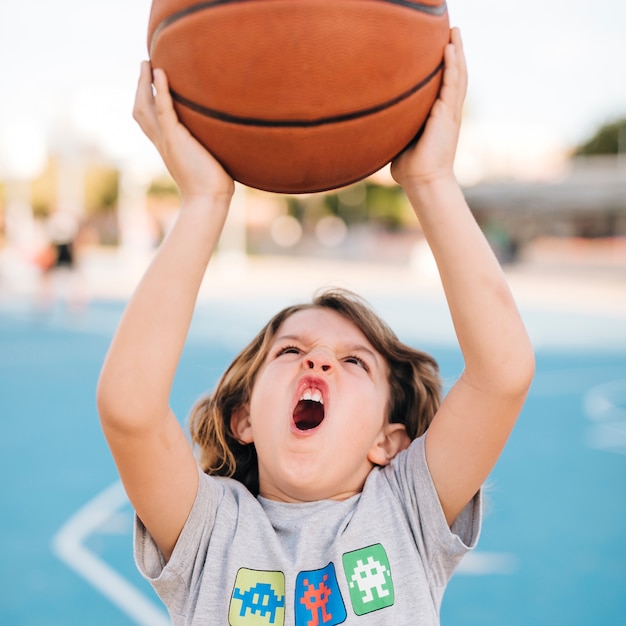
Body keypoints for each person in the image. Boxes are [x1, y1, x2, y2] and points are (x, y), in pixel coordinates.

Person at [97, 28, 535, 625]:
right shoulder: (210, 531)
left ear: (389, 441)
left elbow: (503, 373)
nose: (318, 361)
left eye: (354, 361)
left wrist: (431, 181)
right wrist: (204, 201)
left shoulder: (406, 511)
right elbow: (130, 408)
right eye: (291, 351)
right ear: (245, 418)